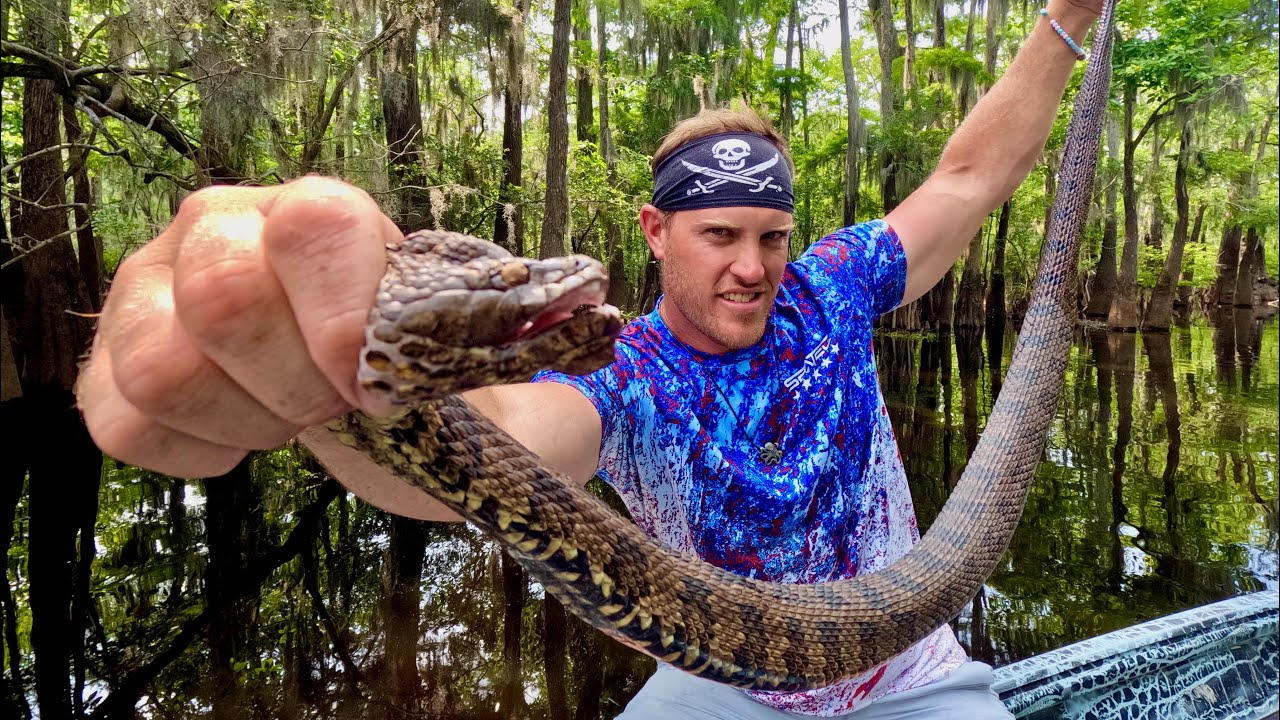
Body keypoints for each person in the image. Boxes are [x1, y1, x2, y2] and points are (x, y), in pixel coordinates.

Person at [77, 1, 1101, 717]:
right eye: (718, 237)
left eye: (769, 235)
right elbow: (511, 440)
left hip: (907, 670)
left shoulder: (832, 286)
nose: (751, 267)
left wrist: (1071, 15)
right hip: (722, 687)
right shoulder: (627, 376)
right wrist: (318, 386)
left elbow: (967, 178)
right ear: (657, 233)